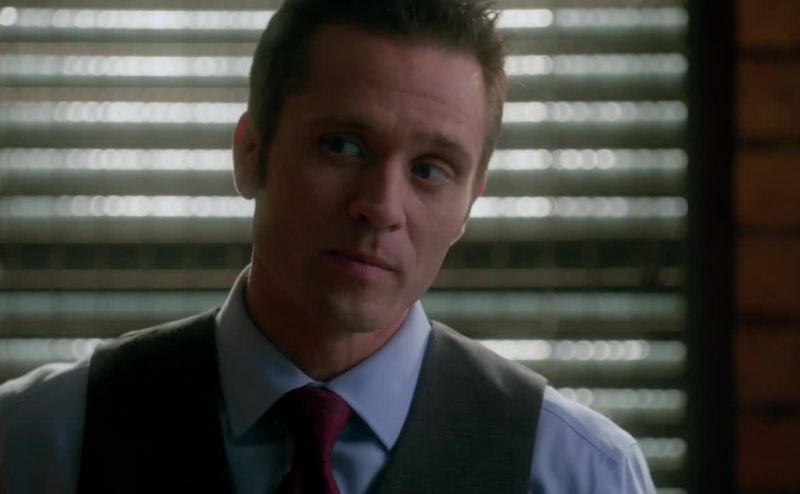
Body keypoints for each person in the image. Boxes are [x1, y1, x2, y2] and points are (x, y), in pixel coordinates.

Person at [0, 0, 657, 492]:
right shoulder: (38, 440)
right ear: (250, 154)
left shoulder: (580, 472)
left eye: (430, 169)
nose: (381, 207)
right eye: (342, 145)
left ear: (470, 204)